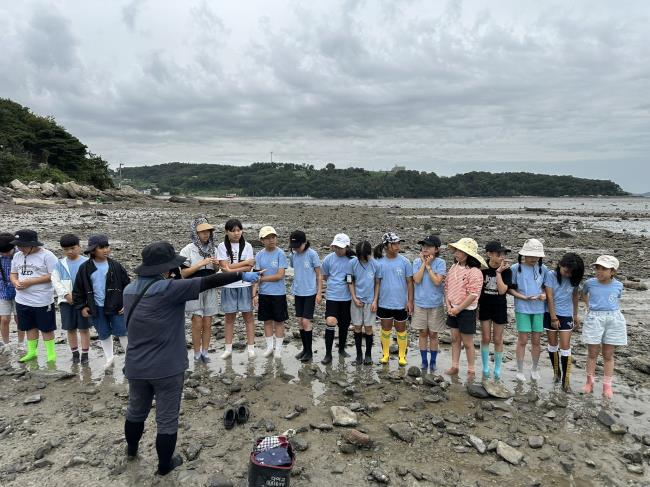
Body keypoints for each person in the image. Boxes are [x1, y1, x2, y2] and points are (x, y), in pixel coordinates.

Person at [122, 241, 260, 476]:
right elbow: (209, 281)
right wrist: (242, 274)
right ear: (166, 268)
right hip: (167, 367)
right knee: (167, 419)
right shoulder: (169, 288)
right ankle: (164, 466)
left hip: (136, 365)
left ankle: (132, 451)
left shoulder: (129, 290)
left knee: (136, 410)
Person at [73, 234, 131, 369]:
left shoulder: (116, 266)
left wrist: (126, 303)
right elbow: (78, 289)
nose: (106, 250)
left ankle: (130, 358)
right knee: (103, 333)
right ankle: (109, 358)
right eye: (101, 248)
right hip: (96, 307)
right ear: (93, 250)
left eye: (107, 246)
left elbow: (127, 285)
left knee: (123, 331)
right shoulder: (85, 268)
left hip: (116, 305)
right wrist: (82, 306)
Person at [9, 229, 59, 363]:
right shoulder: (17, 256)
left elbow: (54, 275)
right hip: (22, 300)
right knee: (29, 327)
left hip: (42, 300)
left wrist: (31, 282)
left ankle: (51, 355)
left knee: (47, 328)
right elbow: (13, 273)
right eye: (18, 245)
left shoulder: (47, 256)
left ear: (33, 244)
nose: (19, 248)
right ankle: (32, 352)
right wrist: (15, 282)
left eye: (22, 245)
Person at [581, 255, 626, 398]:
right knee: (592, 353)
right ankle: (589, 381)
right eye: (597, 268)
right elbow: (583, 294)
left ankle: (607, 385)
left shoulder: (618, 285)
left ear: (612, 271)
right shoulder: (589, 283)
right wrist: (588, 305)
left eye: (604, 269)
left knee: (608, 354)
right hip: (594, 318)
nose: (599, 271)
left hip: (613, 319)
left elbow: (616, 299)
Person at [444, 238, 486, 381]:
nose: (456, 253)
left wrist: (458, 309)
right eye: (456, 250)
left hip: (467, 310)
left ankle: (471, 369)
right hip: (452, 308)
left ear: (468, 254)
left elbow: (473, 294)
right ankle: (455, 366)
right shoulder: (453, 267)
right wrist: (449, 305)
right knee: (455, 338)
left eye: (459, 251)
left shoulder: (475, 272)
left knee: (468, 342)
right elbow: (447, 287)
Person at [180, 216, 220, 363]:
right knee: (197, 322)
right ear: (195, 233)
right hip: (194, 287)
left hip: (210, 287)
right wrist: (200, 264)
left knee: (208, 321)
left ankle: (205, 352)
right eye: (202, 232)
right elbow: (183, 273)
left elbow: (217, 270)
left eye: (208, 231)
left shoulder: (214, 249)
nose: (206, 234)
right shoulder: (187, 249)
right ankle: (197, 354)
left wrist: (216, 265)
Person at [508, 239, 548, 382]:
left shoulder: (543, 269)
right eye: (530, 256)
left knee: (537, 340)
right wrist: (524, 297)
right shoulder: (515, 268)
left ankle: (534, 368)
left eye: (536, 256)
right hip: (522, 308)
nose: (533, 259)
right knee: (523, 340)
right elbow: (510, 289)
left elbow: (546, 288)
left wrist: (544, 295)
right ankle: (520, 370)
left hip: (539, 309)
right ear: (523, 255)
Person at [543, 253, 584, 392]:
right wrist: (553, 317)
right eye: (566, 271)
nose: (568, 275)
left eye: (571, 273)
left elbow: (575, 296)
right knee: (552, 344)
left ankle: (566, 382)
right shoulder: (551, 275)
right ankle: (557, 373)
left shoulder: (574, 278)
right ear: (560, 264)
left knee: (565, 346)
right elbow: (549, 297)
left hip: (566, 314)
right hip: (550, 313)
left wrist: (575, 315)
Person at [216, 219, 256, 359]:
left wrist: (230, 268)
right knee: (229, 318)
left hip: (245, 285)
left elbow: (249, 268)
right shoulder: (222, 246)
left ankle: (251, 348)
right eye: (233, 231)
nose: (236, 233)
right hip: (229, 285)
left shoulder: (248, 246)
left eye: (239, 230)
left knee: (248, 317)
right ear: (226, 232)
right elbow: (224, 268)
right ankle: (228, 349)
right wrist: (243, 263)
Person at [374, 232, 414, 367]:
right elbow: (377, 282)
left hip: (401, 303)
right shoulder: (379, 263)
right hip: (384, 302)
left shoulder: (405, 261)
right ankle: (385, 354)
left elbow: (410, 282)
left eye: (398, 243)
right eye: (394, 243)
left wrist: (410, 301)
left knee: (401, 329)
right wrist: (375, 300)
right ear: (386, 246)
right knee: (385, 329)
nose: (398, 246)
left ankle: (402, 356)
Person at [51, 234, 91, 364]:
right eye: (66, 249)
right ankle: (75, 354)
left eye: (72, 248)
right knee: (70, 328)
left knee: (84, 328)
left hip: (83, 302)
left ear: (79, 246)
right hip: (66, 301)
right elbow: (55, 281)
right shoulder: (60, 264)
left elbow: (92, 282)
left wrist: (84, 298)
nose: (69, 251)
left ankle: (85, 355)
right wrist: (65, 295)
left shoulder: (87, 262)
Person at [478, 241, 513, 382]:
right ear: (489, 254)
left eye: (503, 254)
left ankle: (497, 369)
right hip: (485, 306)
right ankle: (485, 367)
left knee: (498, 339)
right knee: (486, 338)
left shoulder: (507, 271)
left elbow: (503, 290)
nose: (502, 256)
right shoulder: (482, 268)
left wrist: (498, 272)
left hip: (499, 306)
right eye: (498, 254)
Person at [411, 235, 446, 371]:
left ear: (436, 249)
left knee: (433, 334)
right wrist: (423, 264)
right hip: (420, 303)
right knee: (422, 332)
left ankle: (433, 361)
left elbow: (437, 282)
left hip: (435, 304)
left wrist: (428, 266)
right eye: (423, 246)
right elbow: (417, 279)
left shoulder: (440, 263)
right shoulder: (416, 262)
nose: (424, 248)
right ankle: (424, 361)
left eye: (428, 246)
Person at [253, 226, 288, 358]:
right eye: (267, 238)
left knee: (279, 321)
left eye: (273, 237)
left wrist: (262, 279)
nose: (271, 240)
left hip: (278, 294)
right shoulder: (259, 255)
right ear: (262, 240)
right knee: (267, 321)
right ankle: (269, 347)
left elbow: (280, 275)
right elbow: (256, 276)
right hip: (264, 294)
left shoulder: (280, 253)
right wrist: (254, 294)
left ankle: (278, 349)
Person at [321, 233, 355, 364]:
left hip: (347, 297)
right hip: (332, 296)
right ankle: (328, 354)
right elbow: (325, 276)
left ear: (347, 247)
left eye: (341, 248)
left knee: (344, 324)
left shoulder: (353, 260)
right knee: (330, 321)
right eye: (336, 247)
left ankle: (341, 349)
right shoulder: (328, 259)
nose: (338, 250)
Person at [289, 230, 322, 363]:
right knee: (300, 321)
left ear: (305, 242)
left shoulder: (312, 254)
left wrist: (319, 293)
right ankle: (304, 349)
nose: (296, 249)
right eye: (293, 246)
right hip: (298, 292)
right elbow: (294, 268)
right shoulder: (293, 255)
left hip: (310, 292)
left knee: (306, 322)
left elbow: (319, 275)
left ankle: (309, 352)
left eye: (298, 246)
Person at [349, 241, 379, 365]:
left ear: (369, 253)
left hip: (370, 301)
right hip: (357, 300)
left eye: (364, 256)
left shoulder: (375, 264)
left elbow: (377, 283)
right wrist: (354, 298)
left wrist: (375, 301)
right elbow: (350, 282)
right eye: (360, 256)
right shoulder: (352, 263)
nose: (362, 258)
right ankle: (358, 355)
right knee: (357, 327)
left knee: (368, 328)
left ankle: (368, 355)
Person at [0, 232, 23, 347]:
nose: (5, 254)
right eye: (2, 252)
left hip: (20, 291)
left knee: (19, 318)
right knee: (4, 319)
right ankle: (6, 344)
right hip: (2, 291)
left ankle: (21, 343)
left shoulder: (20, 254)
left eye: (7, 252)